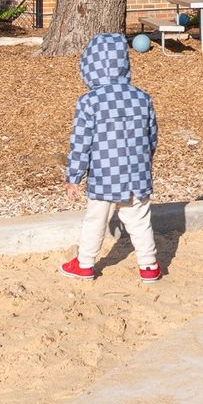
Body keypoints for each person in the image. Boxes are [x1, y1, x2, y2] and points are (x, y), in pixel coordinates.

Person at [60, 33, 162, 283]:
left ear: (90, 66)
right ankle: (149, 266)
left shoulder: (89, 102)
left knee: (96, 219)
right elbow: (152, 136)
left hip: (105, 176)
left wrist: (74, 177)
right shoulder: (142, 98)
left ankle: (84, 264)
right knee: (139, 219)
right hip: (137, 174)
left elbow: (81, 143)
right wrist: (145, 162)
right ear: (123, 64)